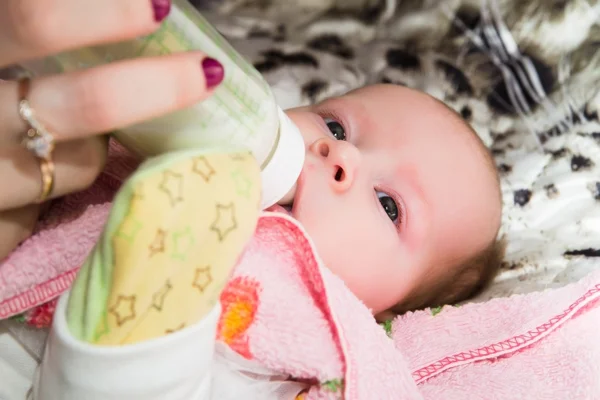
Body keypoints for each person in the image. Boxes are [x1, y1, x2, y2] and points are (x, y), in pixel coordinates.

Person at [0, 0, 503, 398]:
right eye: (335, 124)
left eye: (389, 205)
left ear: (385, 313)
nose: (339, 152)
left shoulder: (315, 344)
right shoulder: (141, 159)